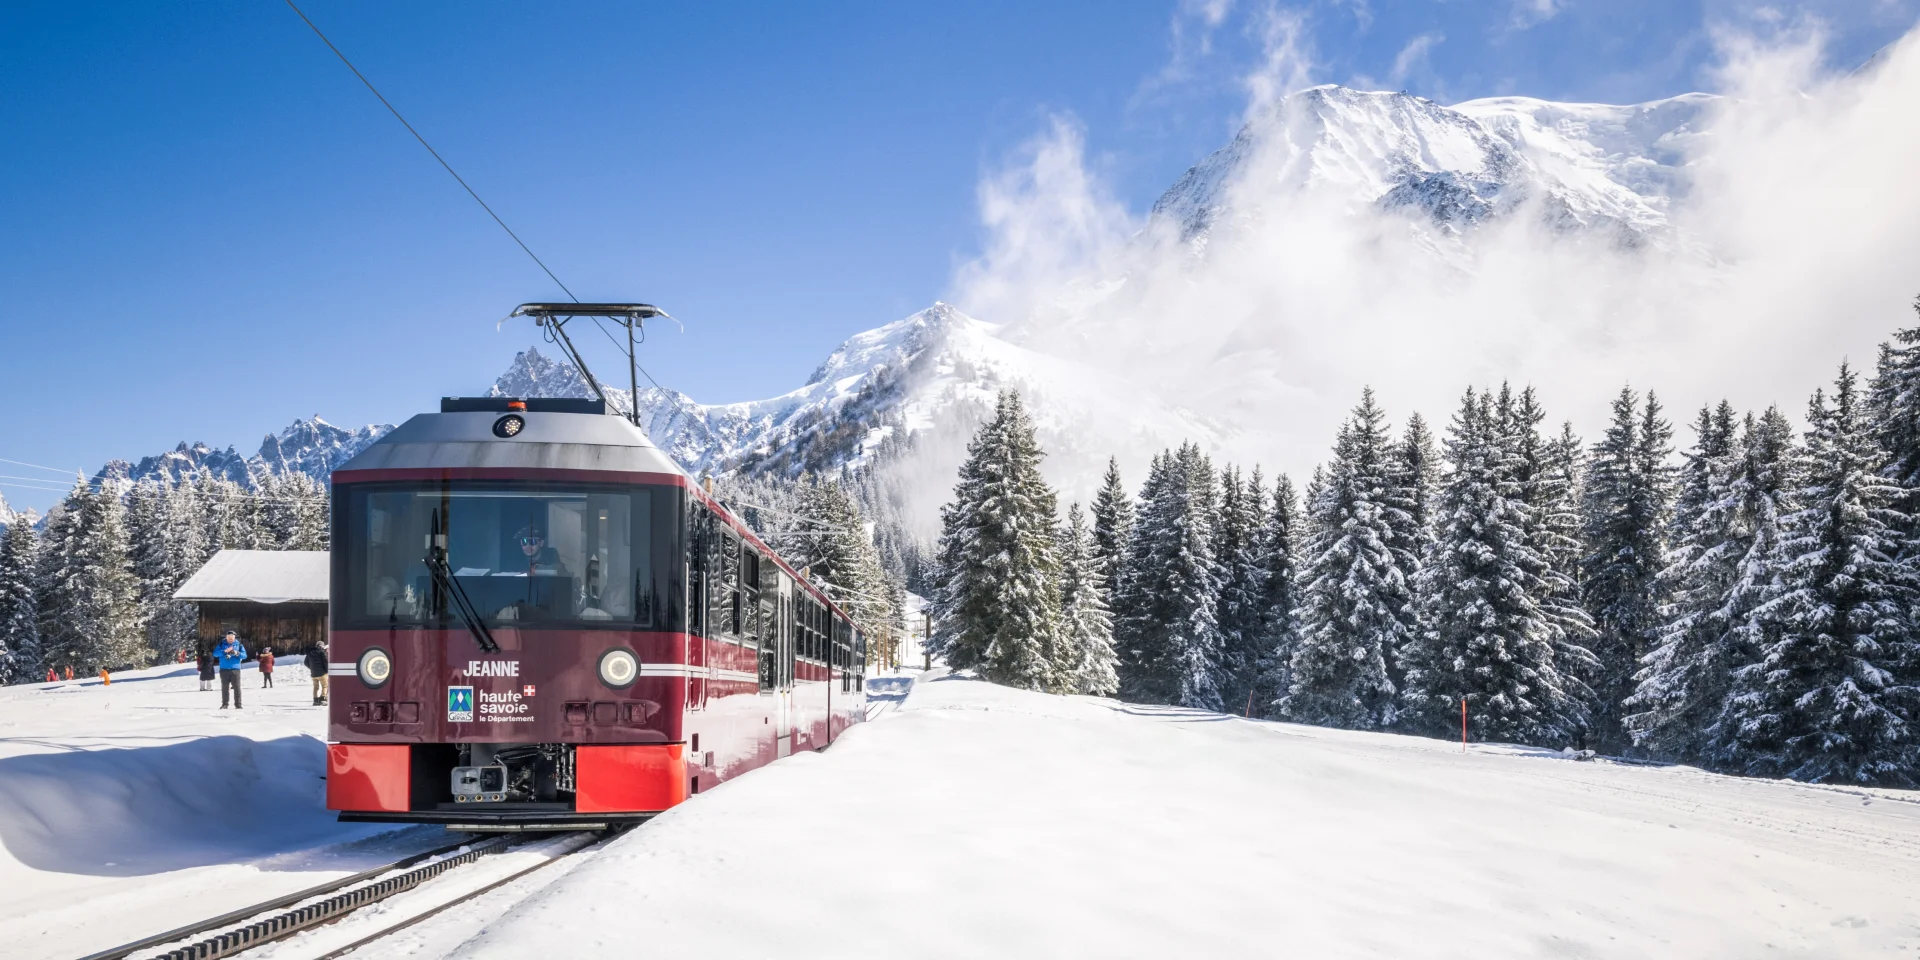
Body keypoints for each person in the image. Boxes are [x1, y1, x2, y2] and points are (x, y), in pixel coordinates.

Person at [214, 631, 247, 709]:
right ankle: (225, 704)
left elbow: (245, 656)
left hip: (235, 669)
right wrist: (224, 651)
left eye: (232, 638)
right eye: (229, 637)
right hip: (224, 669)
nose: (230, 639)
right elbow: (215, 654)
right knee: (225, 688)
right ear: (226, 637)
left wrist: (237, 653)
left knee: (237, 687)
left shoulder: (239, 645)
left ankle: (238, 704)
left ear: (234, 638)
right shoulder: (221, 644)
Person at [305, 641, 329, 706]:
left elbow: (305, 662)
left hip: (313, 674)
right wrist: (327, 670)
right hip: (322, 673)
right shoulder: (322, 652)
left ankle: (315, 700)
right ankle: (323, 699)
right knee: (325, 686)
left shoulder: (310, 652)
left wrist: (312, 668)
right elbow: (325, 662)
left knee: (315, 687)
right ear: (321, 646)